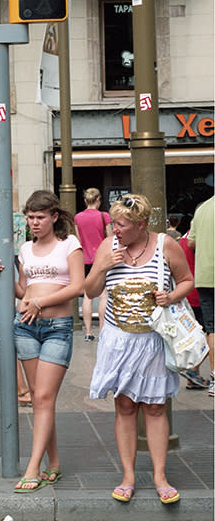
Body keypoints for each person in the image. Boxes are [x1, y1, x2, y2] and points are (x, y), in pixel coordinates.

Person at [87, 194, 193, 504]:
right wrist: (101, 267)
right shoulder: (109, 247)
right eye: (113, 223)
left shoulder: (165, 245)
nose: (114, 229)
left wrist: (170, 297)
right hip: (119, 340)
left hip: (153, 341)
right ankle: (128, 476)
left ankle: (160, 476)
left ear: (141, 224)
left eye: (121, 224)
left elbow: (187, 280)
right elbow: (89, 290)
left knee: (156, 407)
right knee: (125, 406)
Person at [0, 190, 84, 492]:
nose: (34, 223)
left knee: (43, 397)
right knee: (39, 397)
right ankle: (53, 462)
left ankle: (33, 467)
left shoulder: (69, 244)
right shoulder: (25, 249)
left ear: (54, 217)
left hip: (57, 326)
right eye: (30, 217)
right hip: (26, 326)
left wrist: (41, 303)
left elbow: (78, 286)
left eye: (40, 217)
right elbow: (22, 289)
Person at [74, 188, 111, 341]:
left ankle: (88, 332)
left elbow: (78, 239)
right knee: (103, 295)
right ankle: (102, 330)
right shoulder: (104, 216)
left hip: (85, 260)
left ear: (85, 200)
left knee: (88, 296)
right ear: (98, 200)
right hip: (101, 260)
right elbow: (110, 238)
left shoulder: (78, 217)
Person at [187, 195, 214, 397]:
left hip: (204, 276)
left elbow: (191, 242)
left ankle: (213, 378)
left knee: (212, 329)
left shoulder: (203, 208)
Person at [178, 228, 209, 389]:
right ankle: (193, 369)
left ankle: (193, 372)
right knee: (209, 333)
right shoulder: (201, 238)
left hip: (189, 292)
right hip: (201, 290)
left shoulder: (184, 237)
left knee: (200, 333)